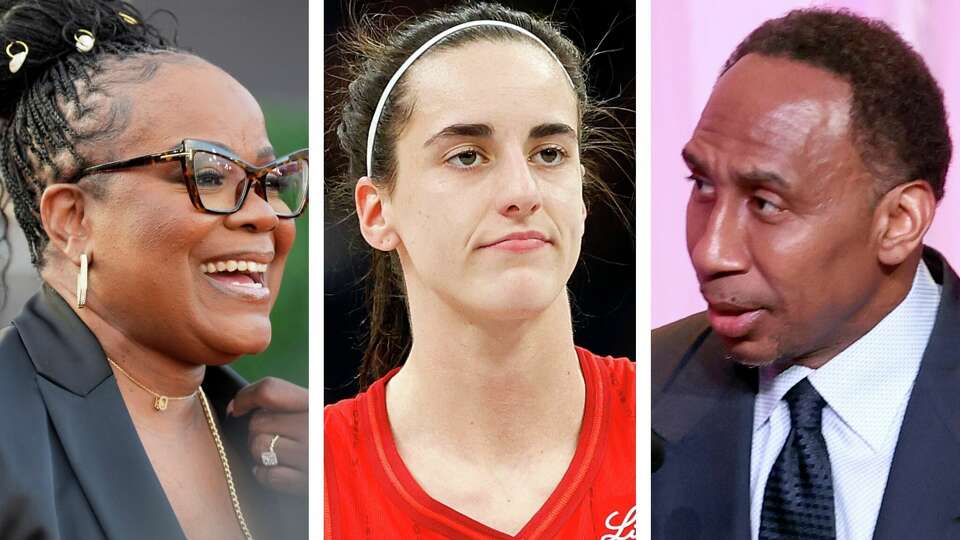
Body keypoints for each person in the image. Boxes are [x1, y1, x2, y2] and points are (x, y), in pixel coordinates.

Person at [323, 3, 635, 539]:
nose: (522, 192)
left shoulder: (670, 421)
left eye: (550, 153)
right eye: (468, 156)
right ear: (377, 213)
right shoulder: (321, 482)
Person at [0, 1, 309, 538]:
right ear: (73, 219)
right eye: (209, 176)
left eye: (271, 178)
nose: (264, 214)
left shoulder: (292, 452)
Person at [652, 8, 957, 540]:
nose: (710, 251)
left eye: (766, 203)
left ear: (898, 222)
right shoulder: (642, 392)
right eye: (701, 184)